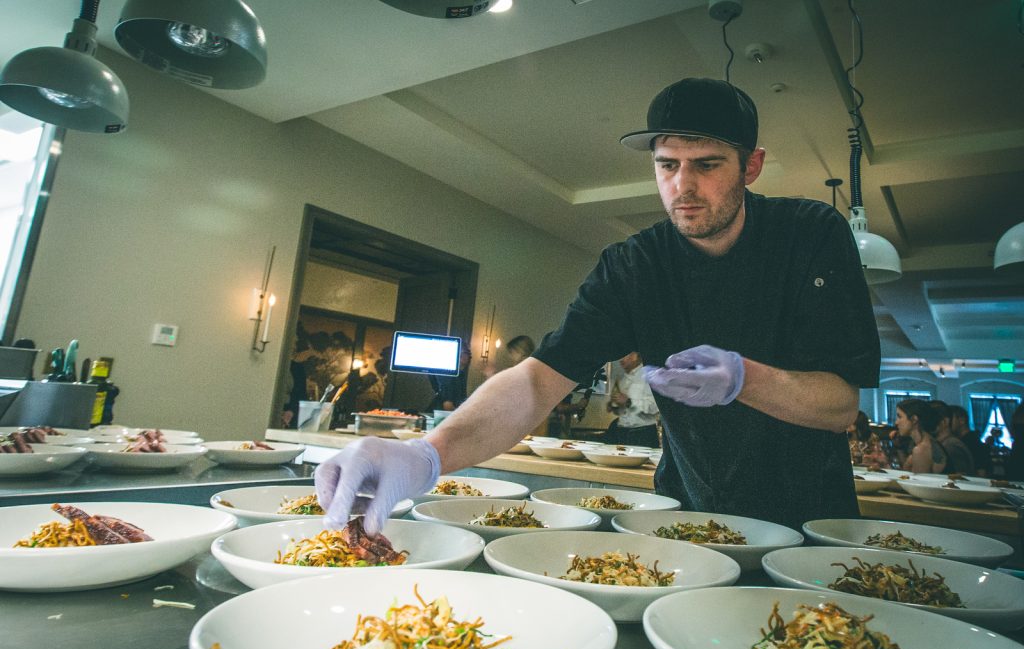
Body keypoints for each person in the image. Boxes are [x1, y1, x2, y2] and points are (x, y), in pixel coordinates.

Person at [314, 77, 880, 534]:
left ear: (750, 166)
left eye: (707, 165)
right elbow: (537, 381)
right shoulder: (634, 265)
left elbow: (840, 406)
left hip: (813, 524)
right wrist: (427, 454)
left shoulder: (810, 235)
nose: (683, 186)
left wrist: (744, 380)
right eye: (667, 164)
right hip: (692, 519)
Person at [604, 352, 660, 447]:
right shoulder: (623, 379)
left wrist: (628, 402)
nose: (620, 360)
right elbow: (625, 411)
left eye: (624, 355)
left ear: (634, 356)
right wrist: (614, 407)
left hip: (642, 434)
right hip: (623, 432)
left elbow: (655, 407)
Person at [894, 399, 946, 474]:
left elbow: (917, 481)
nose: (896, 422)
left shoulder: (921, 450)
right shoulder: (927, 443)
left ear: (914, 419)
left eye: (899, 417)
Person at [928, 400, 975, 475]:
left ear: (944, 422)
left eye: (931, 420)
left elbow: (959, 478)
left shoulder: (951, 446)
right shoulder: (944, 444)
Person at [949, 404, 989, 476]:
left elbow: (981, 472)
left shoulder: (972, 442)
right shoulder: (961, 440)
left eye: (950, 419)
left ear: (962, 420)